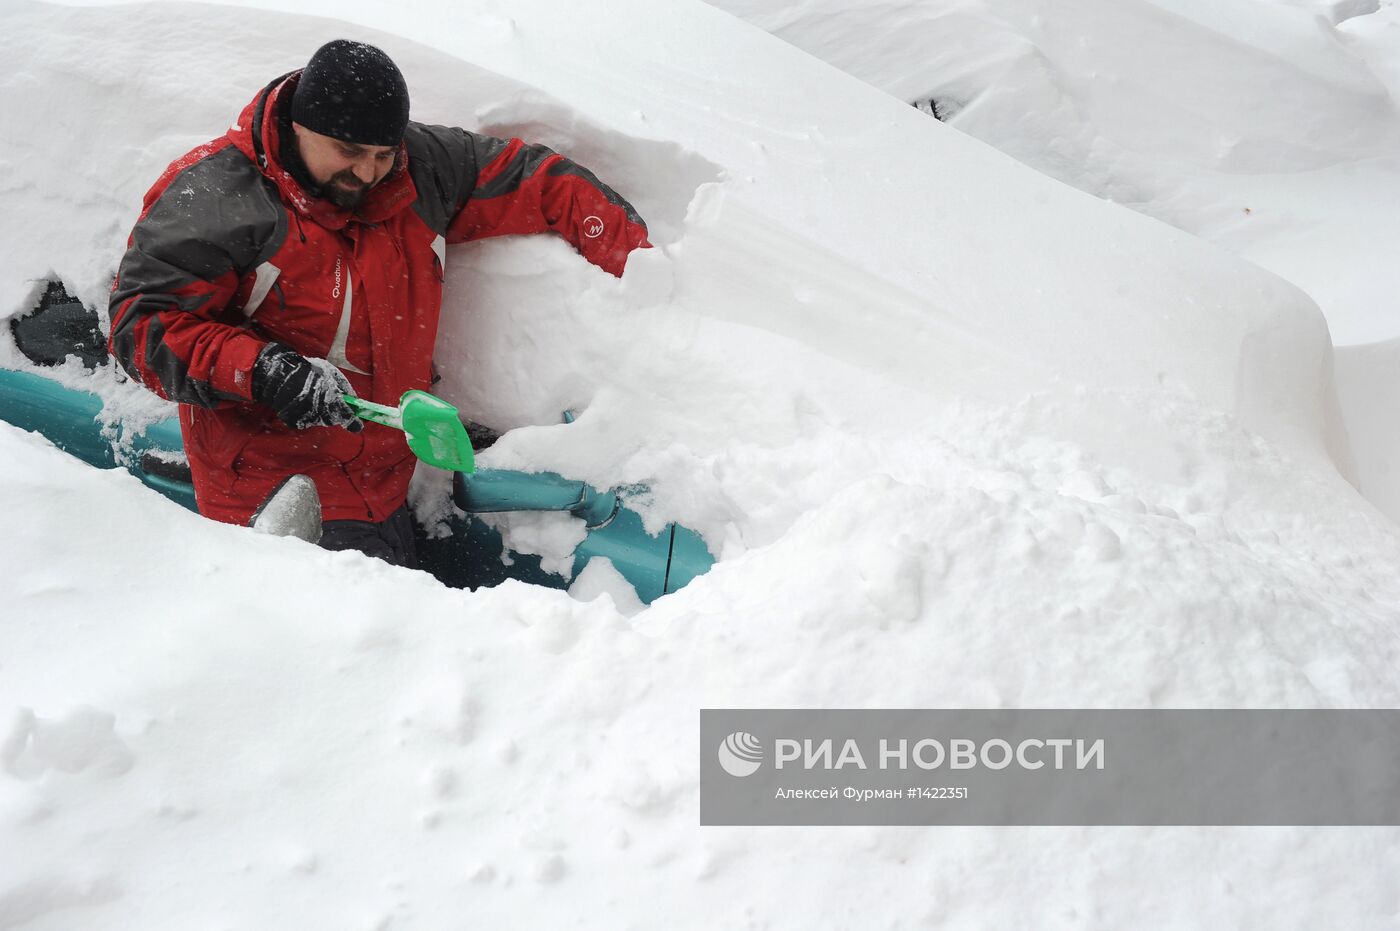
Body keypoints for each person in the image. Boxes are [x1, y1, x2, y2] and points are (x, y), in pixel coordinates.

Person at [108, 40, 650, 567]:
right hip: (278, 503)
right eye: (349, 153)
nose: (368, 173)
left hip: (383, 488)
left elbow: (534, 180)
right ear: (300, 127)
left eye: (382, 154)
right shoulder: (217, 199)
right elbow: (144, 329)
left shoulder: (416, 170)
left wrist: (646, 267)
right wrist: (264, 372)